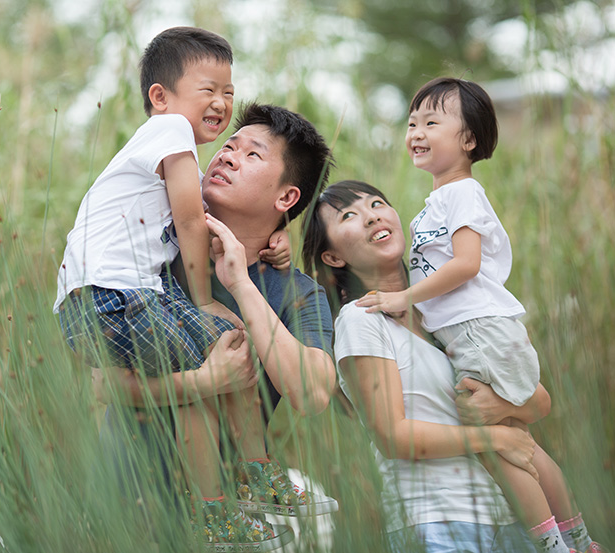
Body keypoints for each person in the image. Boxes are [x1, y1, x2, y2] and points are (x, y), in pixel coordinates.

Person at [54, 28, 293, 550]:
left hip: (91, 305)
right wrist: (205, 299)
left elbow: (202, 219)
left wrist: (276, 241)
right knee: (228, 344)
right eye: (207, 89)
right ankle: (249, 484)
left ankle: (229, 498)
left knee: (196, 371)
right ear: (160, 98)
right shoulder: (169, 134)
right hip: (117, 298)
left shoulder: (152, 156)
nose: (222, 102)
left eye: (229, 92)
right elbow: (190, 218)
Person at [356, 78, 604, 553]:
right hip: (472, 332)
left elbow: (466, 263)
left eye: (432, 122)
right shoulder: (440, 199)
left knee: (501, 445)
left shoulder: (462, 193)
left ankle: (555, 545)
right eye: (412, 123)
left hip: (480, 330)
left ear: (468, 139)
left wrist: (402, 299)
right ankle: (579, 540)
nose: (416, 132)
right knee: (516, 439)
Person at [95, 103, 339, 547]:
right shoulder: (153, 261)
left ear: (286, 198)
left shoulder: (298, 293)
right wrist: (203, 382)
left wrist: (241, 284)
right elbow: (102, 385)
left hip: (227, 527)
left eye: (252, 155)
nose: (226, 156)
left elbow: (314, 393)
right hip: (120, 509)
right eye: (228, 146)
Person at [303, 179, 554, 551]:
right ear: (333, 257)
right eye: (350, 216)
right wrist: (495, 435)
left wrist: (495, 407)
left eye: (376, 204)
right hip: (437, 523)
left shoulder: (445, 308)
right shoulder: (362, 321)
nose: (372, 217)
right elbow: (392, 437)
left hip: (514, 518)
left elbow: (539, 401)